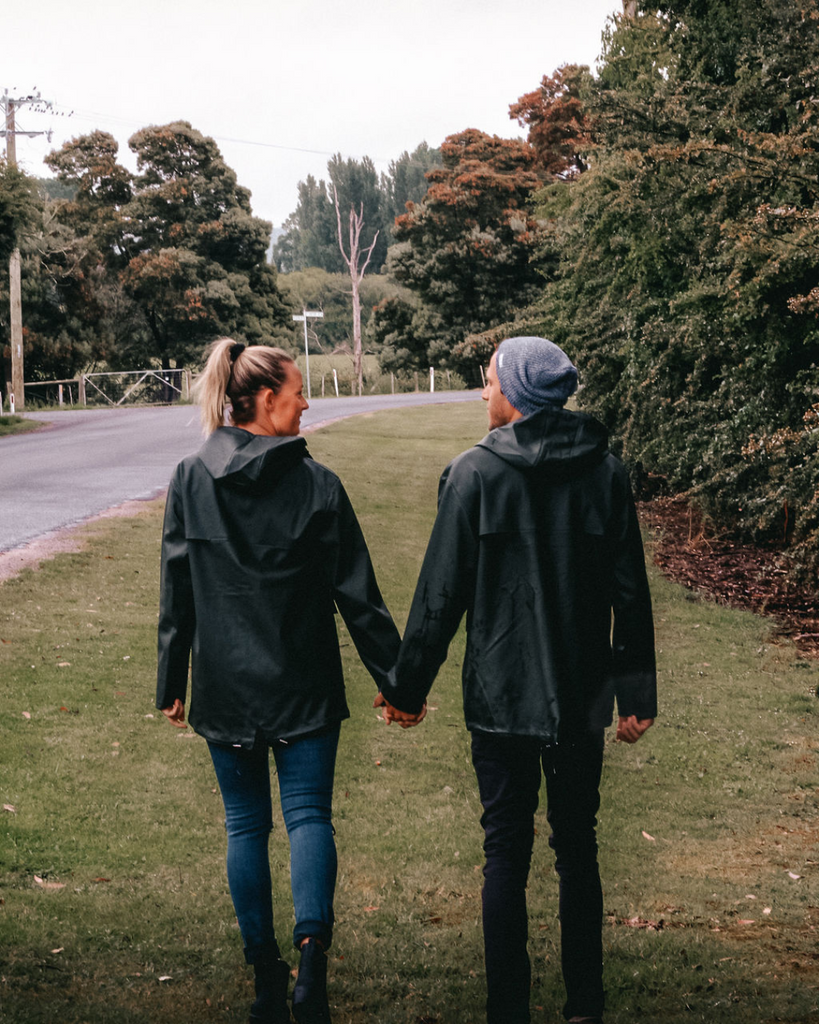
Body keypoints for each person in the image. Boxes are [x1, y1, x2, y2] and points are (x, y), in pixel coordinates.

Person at [376, 336, 657, 1024]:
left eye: (488, 381)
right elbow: (630, 592)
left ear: (516, 395)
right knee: (576, 845)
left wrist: (406, 691)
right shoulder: (604, 472)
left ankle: (511, 1008)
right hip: (579, 692)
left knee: (505, 846)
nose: (482, 392)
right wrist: (635, 695)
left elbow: (439, 597)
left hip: (501, 694)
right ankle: (583, 1007)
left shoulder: (474, 474)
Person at [157, 338, 400, 1024]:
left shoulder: (190, 478)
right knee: (307, 817)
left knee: (246, 826)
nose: (305, 405)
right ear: (265, 400)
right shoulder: (318, 484)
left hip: (226, 685)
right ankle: (310, 967)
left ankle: (267, 973)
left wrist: (171, 679)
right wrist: (399, 682)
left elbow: (177, 590)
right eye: (298, 394)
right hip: (304, 681)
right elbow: (359, 598)